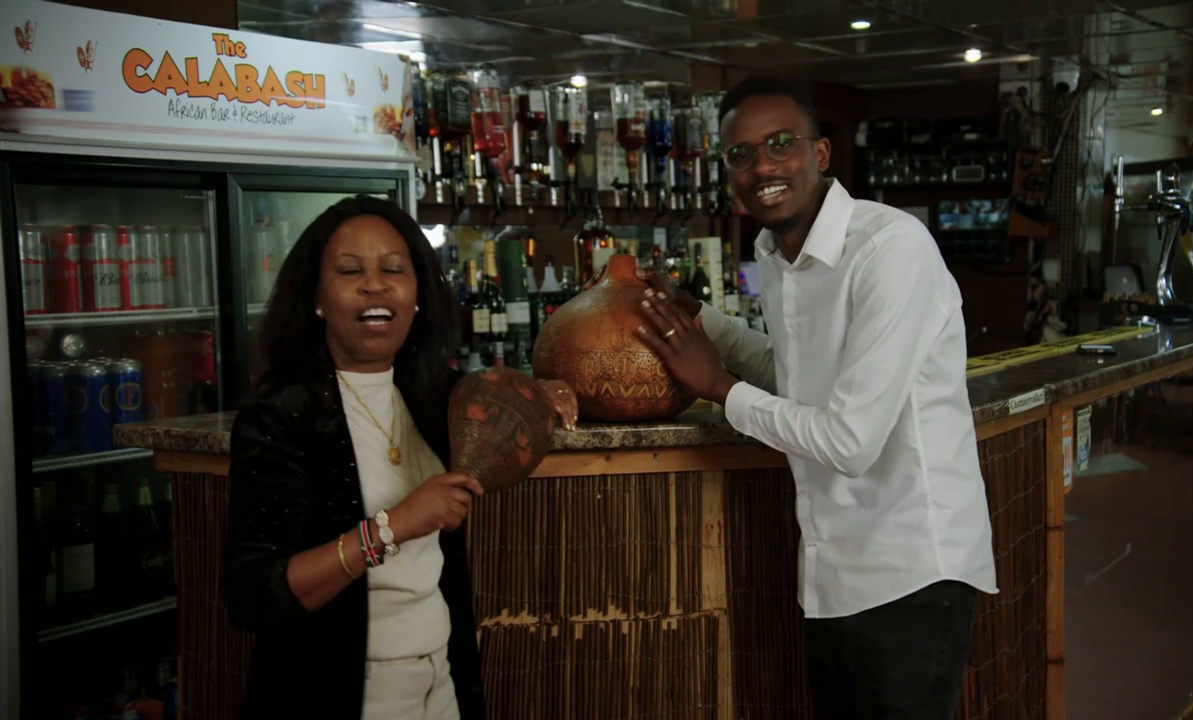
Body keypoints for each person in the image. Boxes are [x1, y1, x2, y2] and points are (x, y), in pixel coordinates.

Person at [633, 78, 998, 719]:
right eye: (741, 154)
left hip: (913, 568)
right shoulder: (775, 256)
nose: (762, 167)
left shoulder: (890, 248)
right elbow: (797, 380)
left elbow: (850, 442)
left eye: (781, 143)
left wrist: (719, 388)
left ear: (820, 153)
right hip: (832, 573)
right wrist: (702, 321)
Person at [225, 195, 577, 720]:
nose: (375, 285)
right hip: (347, 688)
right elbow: (255, 594)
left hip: (441, 676)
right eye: (350, 271)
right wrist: (394, 526)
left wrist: (542, 390)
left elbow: (503, 398)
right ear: (317, 298)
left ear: (417, 297)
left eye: (393, 269)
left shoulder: (437, 398)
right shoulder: (280, 416)